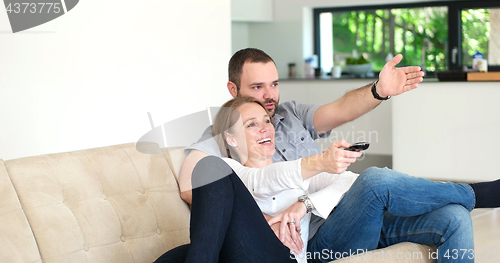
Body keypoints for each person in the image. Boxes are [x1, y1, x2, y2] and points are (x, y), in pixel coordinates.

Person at [157, 97, 500, 263]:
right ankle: (478, 192)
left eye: (266, 121)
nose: (266, 128)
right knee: (373, 179)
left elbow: (348, 183)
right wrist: (317, 163)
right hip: (277, 255)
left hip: (317, 241)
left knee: (452, 216)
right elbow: (262, 182)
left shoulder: (293, 174)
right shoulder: (236, 174)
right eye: (252, 124)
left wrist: (302, 205)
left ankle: (466, 196)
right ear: (230, 139)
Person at [178, 48, 425, 205]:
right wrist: (255, 220)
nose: (269, 95)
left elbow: (340, 109)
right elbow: (189, 187)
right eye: (257, 87)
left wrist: (378, 91)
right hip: (310, 228)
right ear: (233, 90)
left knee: (451, 218)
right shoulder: (226, 134)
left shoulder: (291, 112)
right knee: (376, 179)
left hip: (340, 203)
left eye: (274, 84)